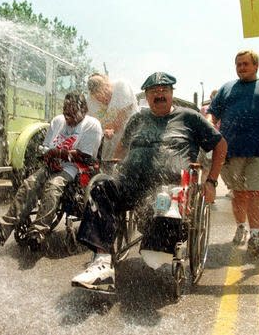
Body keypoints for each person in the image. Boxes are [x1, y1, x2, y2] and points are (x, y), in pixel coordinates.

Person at [70, 72, 227, 293]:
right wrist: (114, 165)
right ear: (147, 95)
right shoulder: (138, 119)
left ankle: (156, 244)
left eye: (164, 90)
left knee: (162, 210)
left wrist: (211, 182)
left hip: (169, 186)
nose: (159, 94)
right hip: (131, 182)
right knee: (100, 187)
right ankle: (102, 263)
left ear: (172, 93)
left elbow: (221, 145)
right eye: (154, 91)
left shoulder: (190, 117)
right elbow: (122, 147)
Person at [0, 92, 103, 247]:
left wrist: (58, 153)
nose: (67, 117)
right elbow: (45, 148)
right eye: (65, 112)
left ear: (84, 110)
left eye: (72, 113)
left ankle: (37, 232)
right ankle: (2, 229)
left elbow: (85, 156)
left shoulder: (92, 125)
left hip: (75, 169)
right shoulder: (57, 122)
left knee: (53, 186)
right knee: (30, 184)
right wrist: (48, 157)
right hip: (53, 165)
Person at [207, 50, 259, 257]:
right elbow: (212, 112)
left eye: (245, 64)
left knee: (255, 192)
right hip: (232, 149)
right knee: (239, 193)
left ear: (256, 66)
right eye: (238, 64)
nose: (241, 68)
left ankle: (256, 236)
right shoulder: (227, 88)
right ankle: (241, 226)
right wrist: (209, 127)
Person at [86, 73, 138, 160]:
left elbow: (119, 120)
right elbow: (89, 125)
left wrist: (103, 131)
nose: (105, 99)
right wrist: (102, 132)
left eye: (106, 93)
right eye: (99, 98)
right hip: (108, 150)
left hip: (132, 141)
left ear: (108, 84)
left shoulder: (121, 86)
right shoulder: (90, 101)